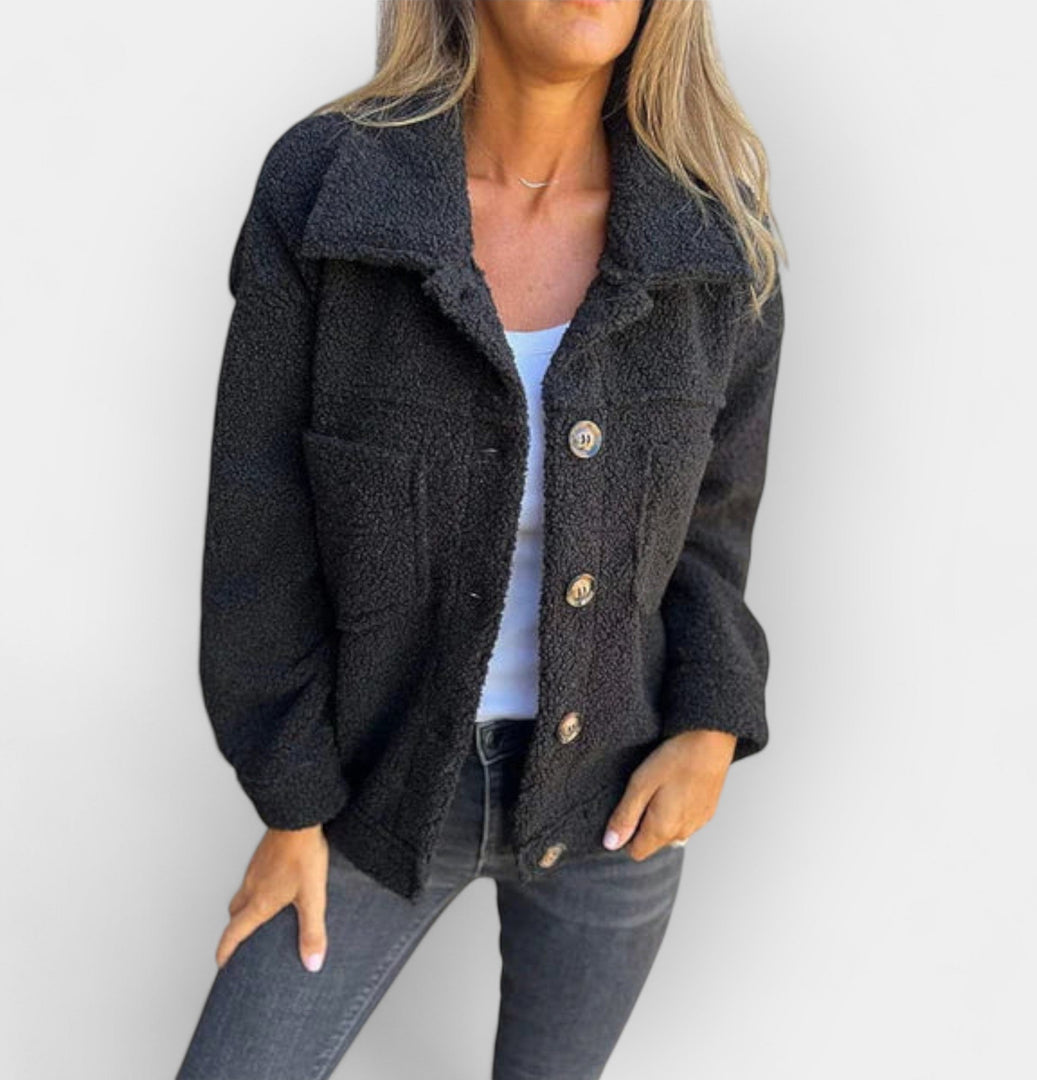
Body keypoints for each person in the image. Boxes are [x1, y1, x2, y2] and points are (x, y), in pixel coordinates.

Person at [177, 1, 786, 1077]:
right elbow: (256, 528)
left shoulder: (714, 233)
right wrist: (292, 800)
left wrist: (708, 724)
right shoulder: (329, 191)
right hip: (370, 788)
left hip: (615, 806)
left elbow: (714, 521)